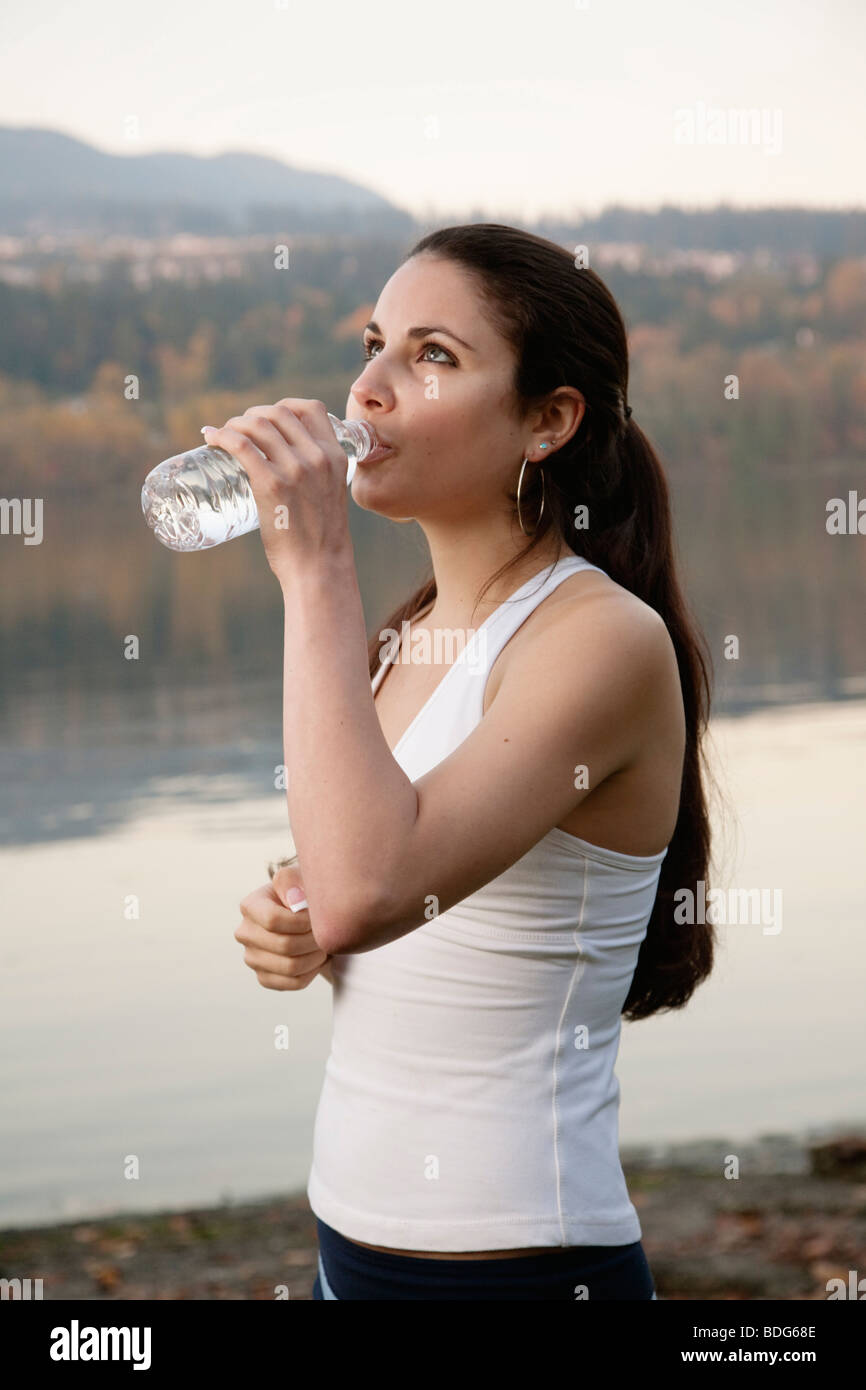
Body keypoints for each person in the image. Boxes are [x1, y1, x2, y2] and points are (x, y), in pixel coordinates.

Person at [227, 222, 719, 1300]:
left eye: (431, 355)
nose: (367, 389)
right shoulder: (406, 639)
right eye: (372, 343)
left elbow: (371, 887)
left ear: (546, 421)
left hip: (517, 1264)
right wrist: (291, 911)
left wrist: (312, 571)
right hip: (347, 1243)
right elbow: (354, 882)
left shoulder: (599, 640)